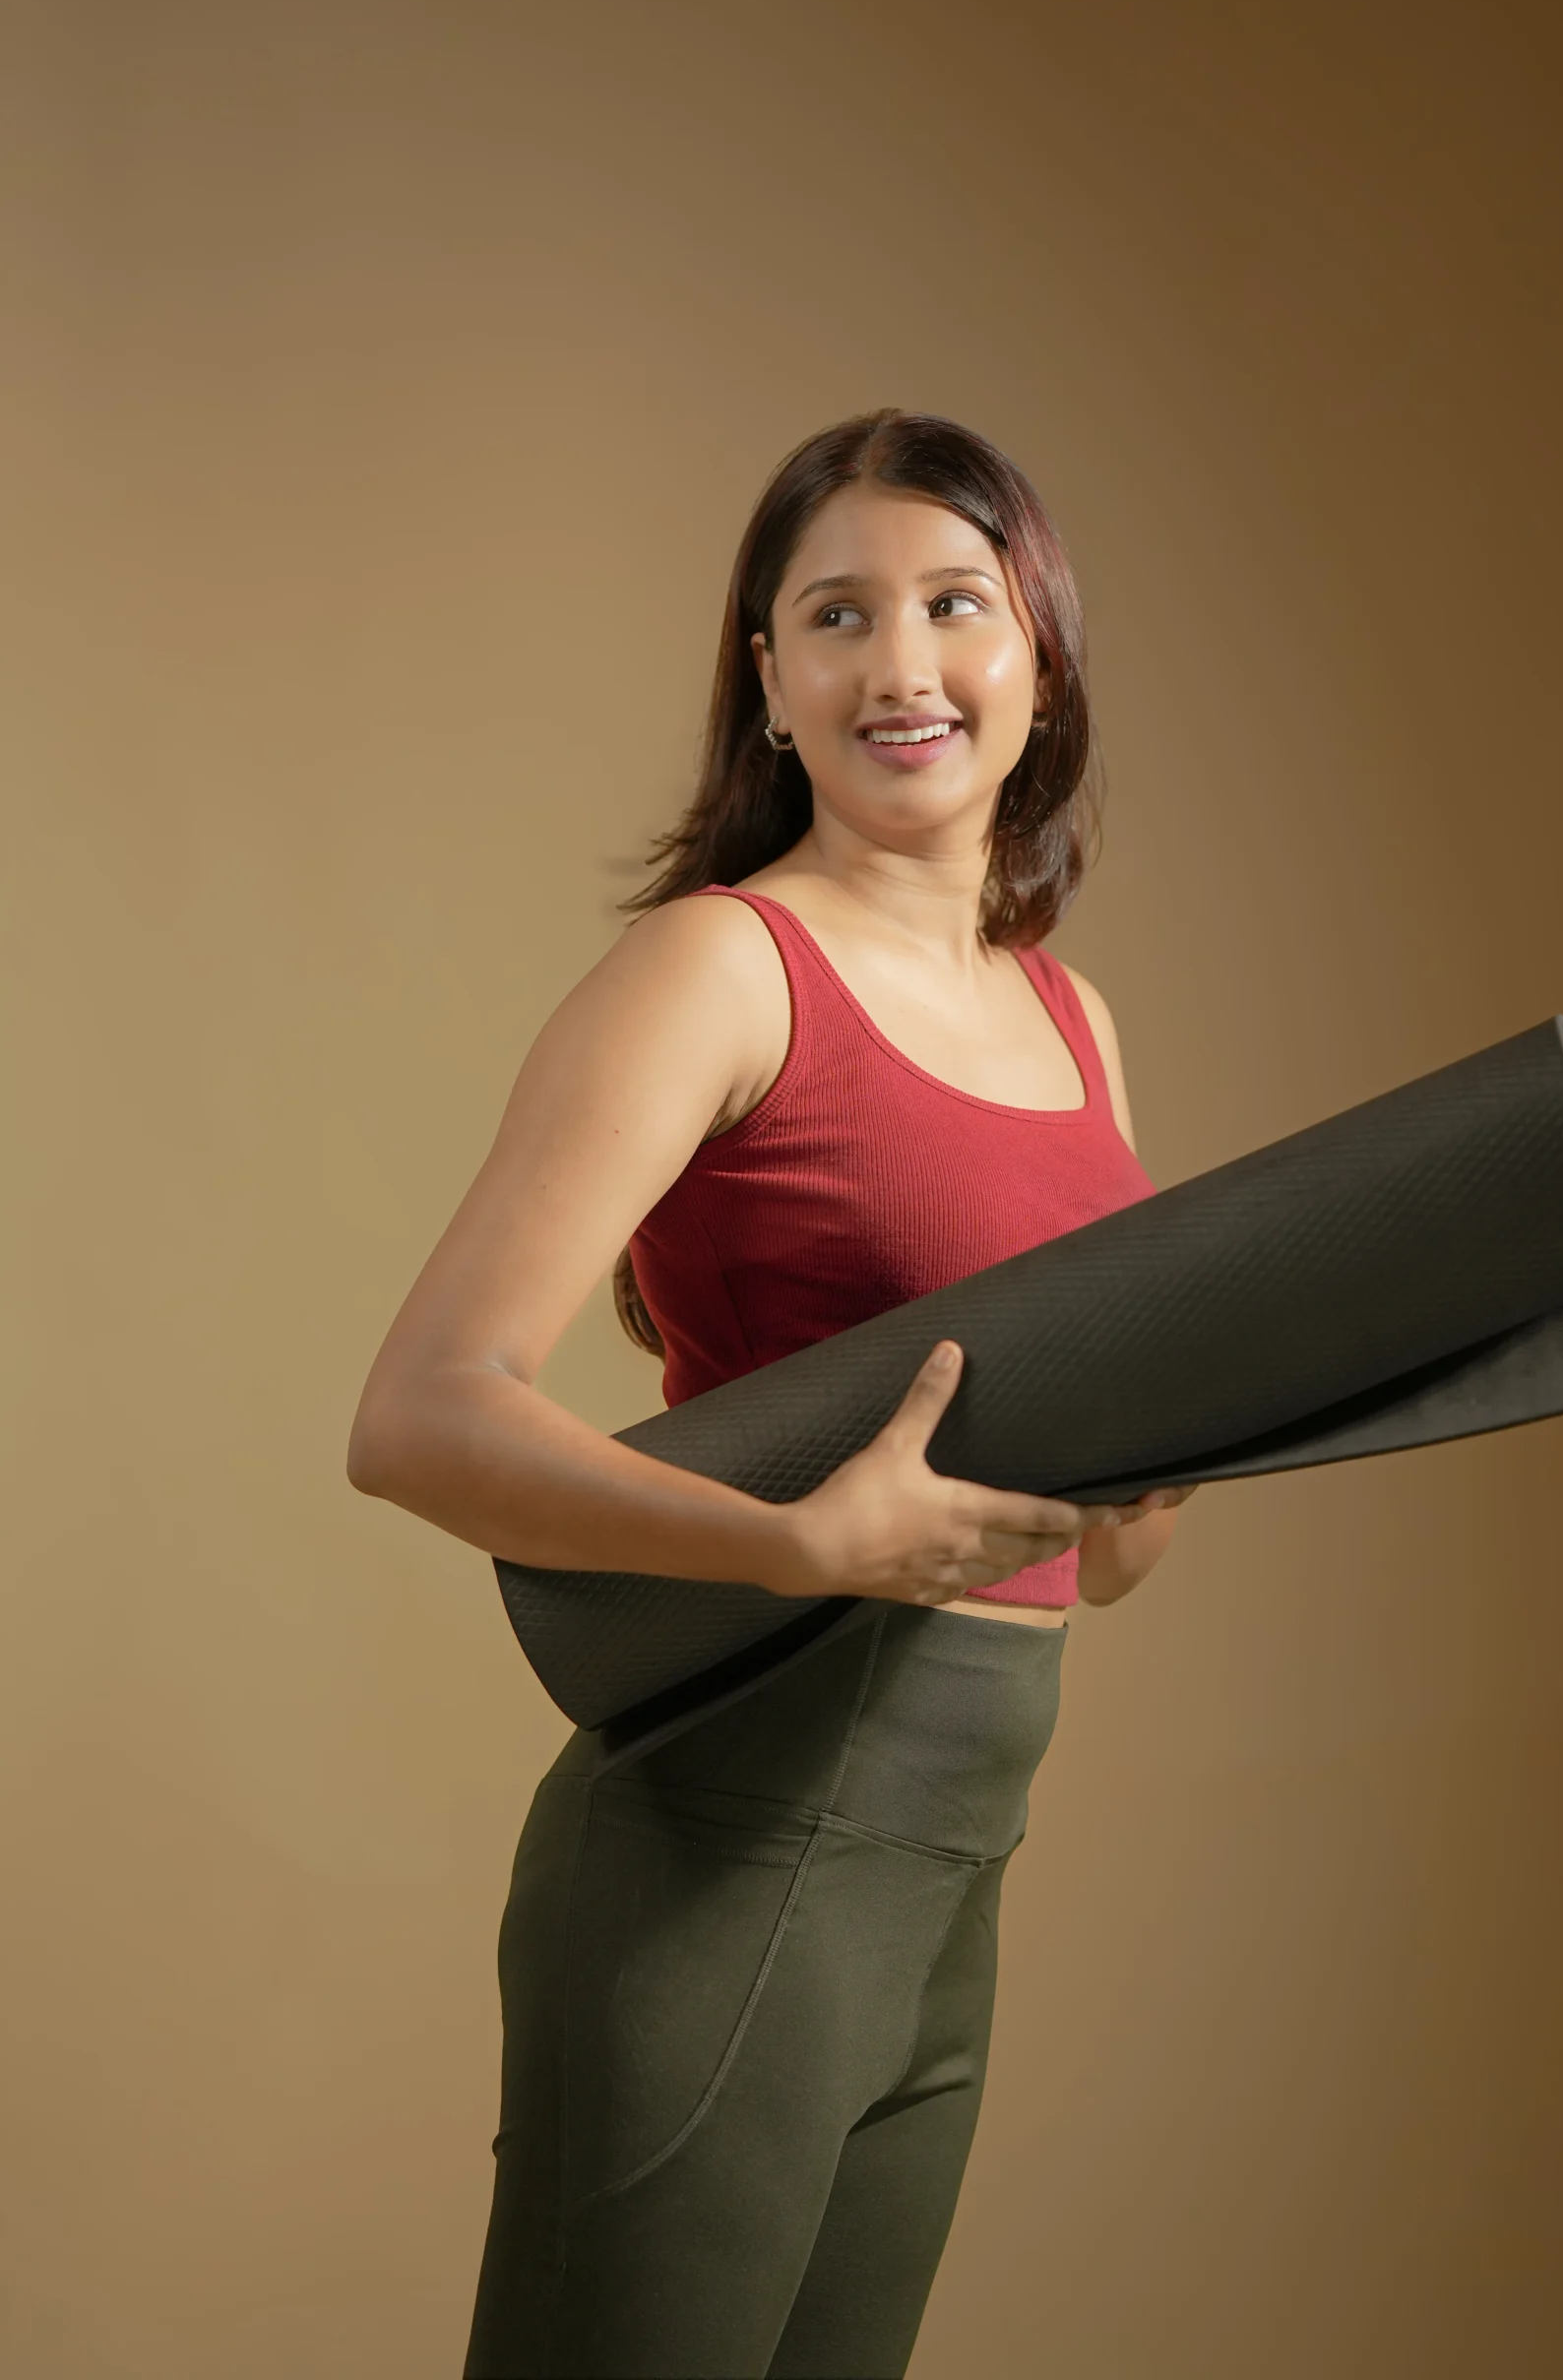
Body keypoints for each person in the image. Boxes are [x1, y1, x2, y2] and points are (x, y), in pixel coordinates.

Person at [347, 408, 1195, 2378]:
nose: (903, 664)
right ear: (767, 679)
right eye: (837, 615)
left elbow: (1103, 1561)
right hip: (730, 1850)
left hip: (952, 1880)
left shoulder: (1075, 1020)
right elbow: (418, 1411)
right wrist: (794, 1541)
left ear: (1038, 651)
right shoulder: (721, 969)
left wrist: (1181, 1454)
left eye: (955, 604)